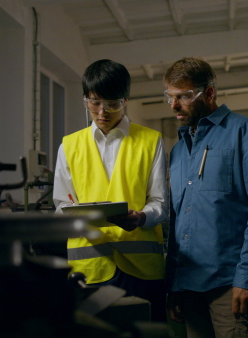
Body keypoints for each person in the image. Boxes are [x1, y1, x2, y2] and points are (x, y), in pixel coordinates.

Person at [164, 57, 248, 337]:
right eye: (170, 97)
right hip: (188, 286)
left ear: (210, 93)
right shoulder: (179, 151)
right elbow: (177, 222)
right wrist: (173, 285)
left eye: (184, 97)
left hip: (230, 284)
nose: (174, 105)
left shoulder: (245, 133)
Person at [53, 59, 168, 322]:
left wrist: (141, 217)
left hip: (141, 272)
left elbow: (160, 202)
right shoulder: (68, 146)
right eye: (94, 102)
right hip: (89, 269)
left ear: (125, 100)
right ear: (85, 99)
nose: (102, 112)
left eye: (112, 103)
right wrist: (74, 217)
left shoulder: (151, 141)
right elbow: (61, 205)